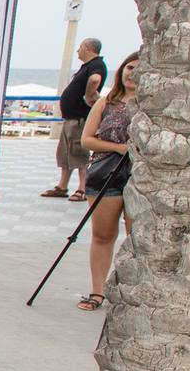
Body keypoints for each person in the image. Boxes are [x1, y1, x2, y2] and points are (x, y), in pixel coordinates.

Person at [76, 50, 139, 311]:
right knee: (103, 234)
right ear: (121, 70)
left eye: (139, 68)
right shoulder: (106, 102)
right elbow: (87, 139)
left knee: (138, 236)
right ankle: (97, 291)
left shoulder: (154, 105)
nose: (133, 73)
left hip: (140, 177)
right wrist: (118, 148)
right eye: (129, 67)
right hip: (106, 174)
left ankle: (133, 291)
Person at [42, 37, 107, 202]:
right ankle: (62, 186)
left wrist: (89, 94)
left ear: (87, 48)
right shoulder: (87, 66)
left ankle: (82, 188)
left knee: (79, 153)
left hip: (80, 117)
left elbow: (95, 80)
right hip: (71, 118)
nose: (78, 50)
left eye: (80, 47)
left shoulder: (96, 64)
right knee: (65, 153)